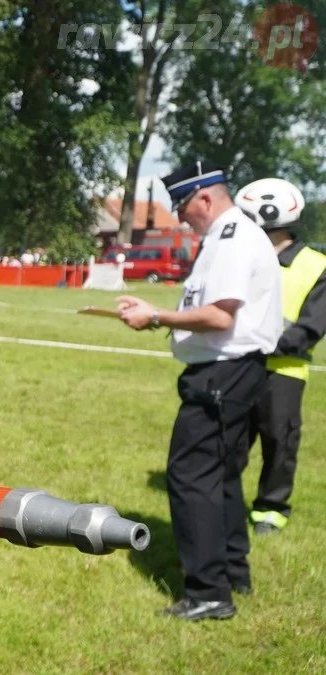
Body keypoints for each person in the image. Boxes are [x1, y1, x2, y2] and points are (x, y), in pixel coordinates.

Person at [116, 161, 282, 621]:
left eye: (184, 206)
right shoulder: (235, 236)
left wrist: (155, 317)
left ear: (205, 197)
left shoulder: (230, 239)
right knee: (221, 474)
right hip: (233, 372)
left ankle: (208, 591)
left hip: (221, 375)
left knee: (191, 476)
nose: (182, 217)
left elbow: (219, 316)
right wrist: (161, 315)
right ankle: (233, 573)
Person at [235, 177, 326, 535]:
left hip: (285, 370)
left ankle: (270, 509)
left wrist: (267, 342)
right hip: (240, 366)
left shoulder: (315, 264)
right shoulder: (241, 257)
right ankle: (222, 501)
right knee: (231, 440)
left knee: (279, 439)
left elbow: (312, 326)